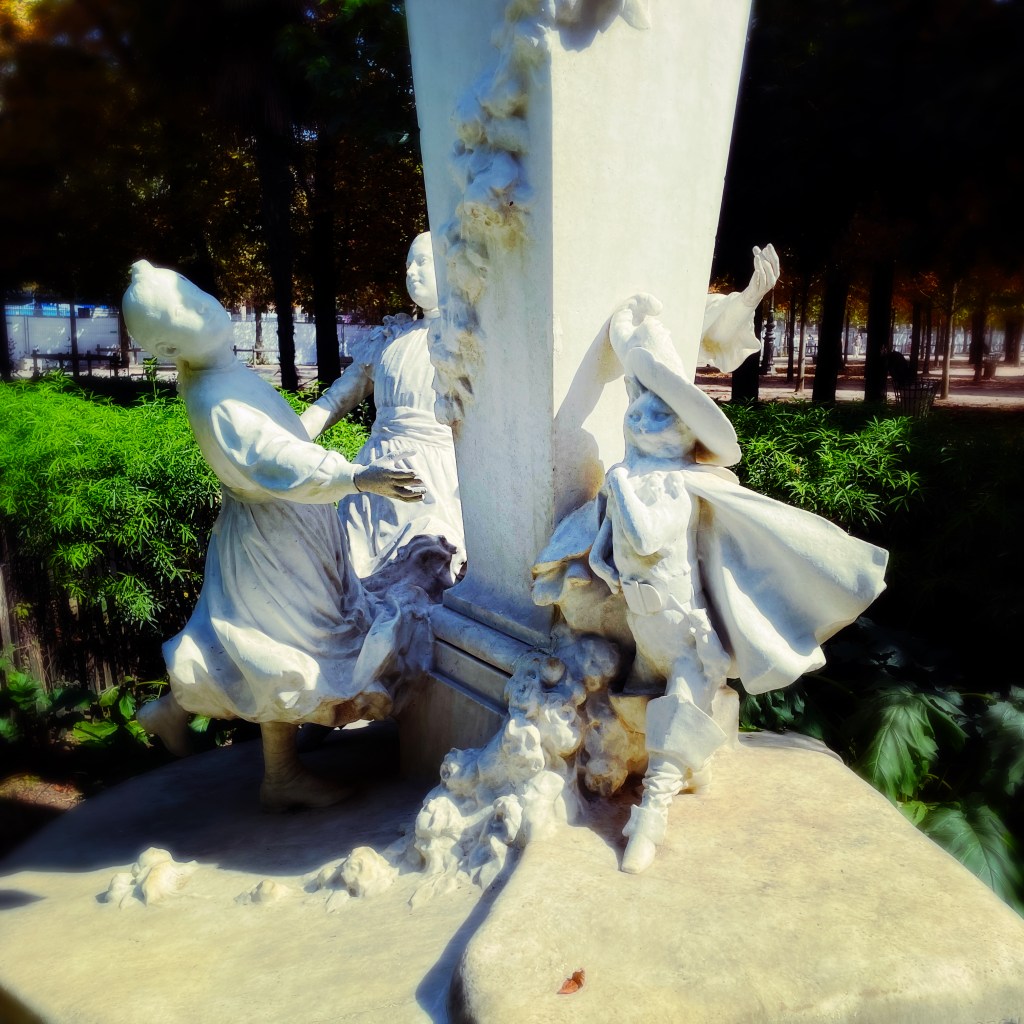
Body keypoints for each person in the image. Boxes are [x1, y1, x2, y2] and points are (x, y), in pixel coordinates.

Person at [562, 295, 888, 873]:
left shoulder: (671, 487)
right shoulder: (628, 479)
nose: (639, 420)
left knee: (678, 713)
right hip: (643, 633)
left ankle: (650, 820)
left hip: (687, 636)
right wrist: (603, 568)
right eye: (637, 409)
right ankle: (693, 765)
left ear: (690, 433)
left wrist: (623, 489)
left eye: (659, 415)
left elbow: (646, 534)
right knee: (637, 713)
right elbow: (611, 551)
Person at [123, 260, 426, 811]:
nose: (203, 306)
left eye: (193, 293)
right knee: (281, 649)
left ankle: (171, 712)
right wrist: (354, 475)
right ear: (170, 347)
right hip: (272, 541)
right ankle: (281, 775)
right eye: (184, 313)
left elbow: (282, 436)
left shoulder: (219, 371)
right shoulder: (215, 395)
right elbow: (273, 458)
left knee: (252, 641)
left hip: (282, 528)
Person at [301, 232, 465, 583]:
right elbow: (336, 400)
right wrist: (289, 439)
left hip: (434, 475)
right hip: (374, 469)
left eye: (422, 262)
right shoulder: (389, 338)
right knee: (355, 574)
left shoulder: (464, 338)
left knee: (426, 567)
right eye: (407, 265)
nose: (411, 272)